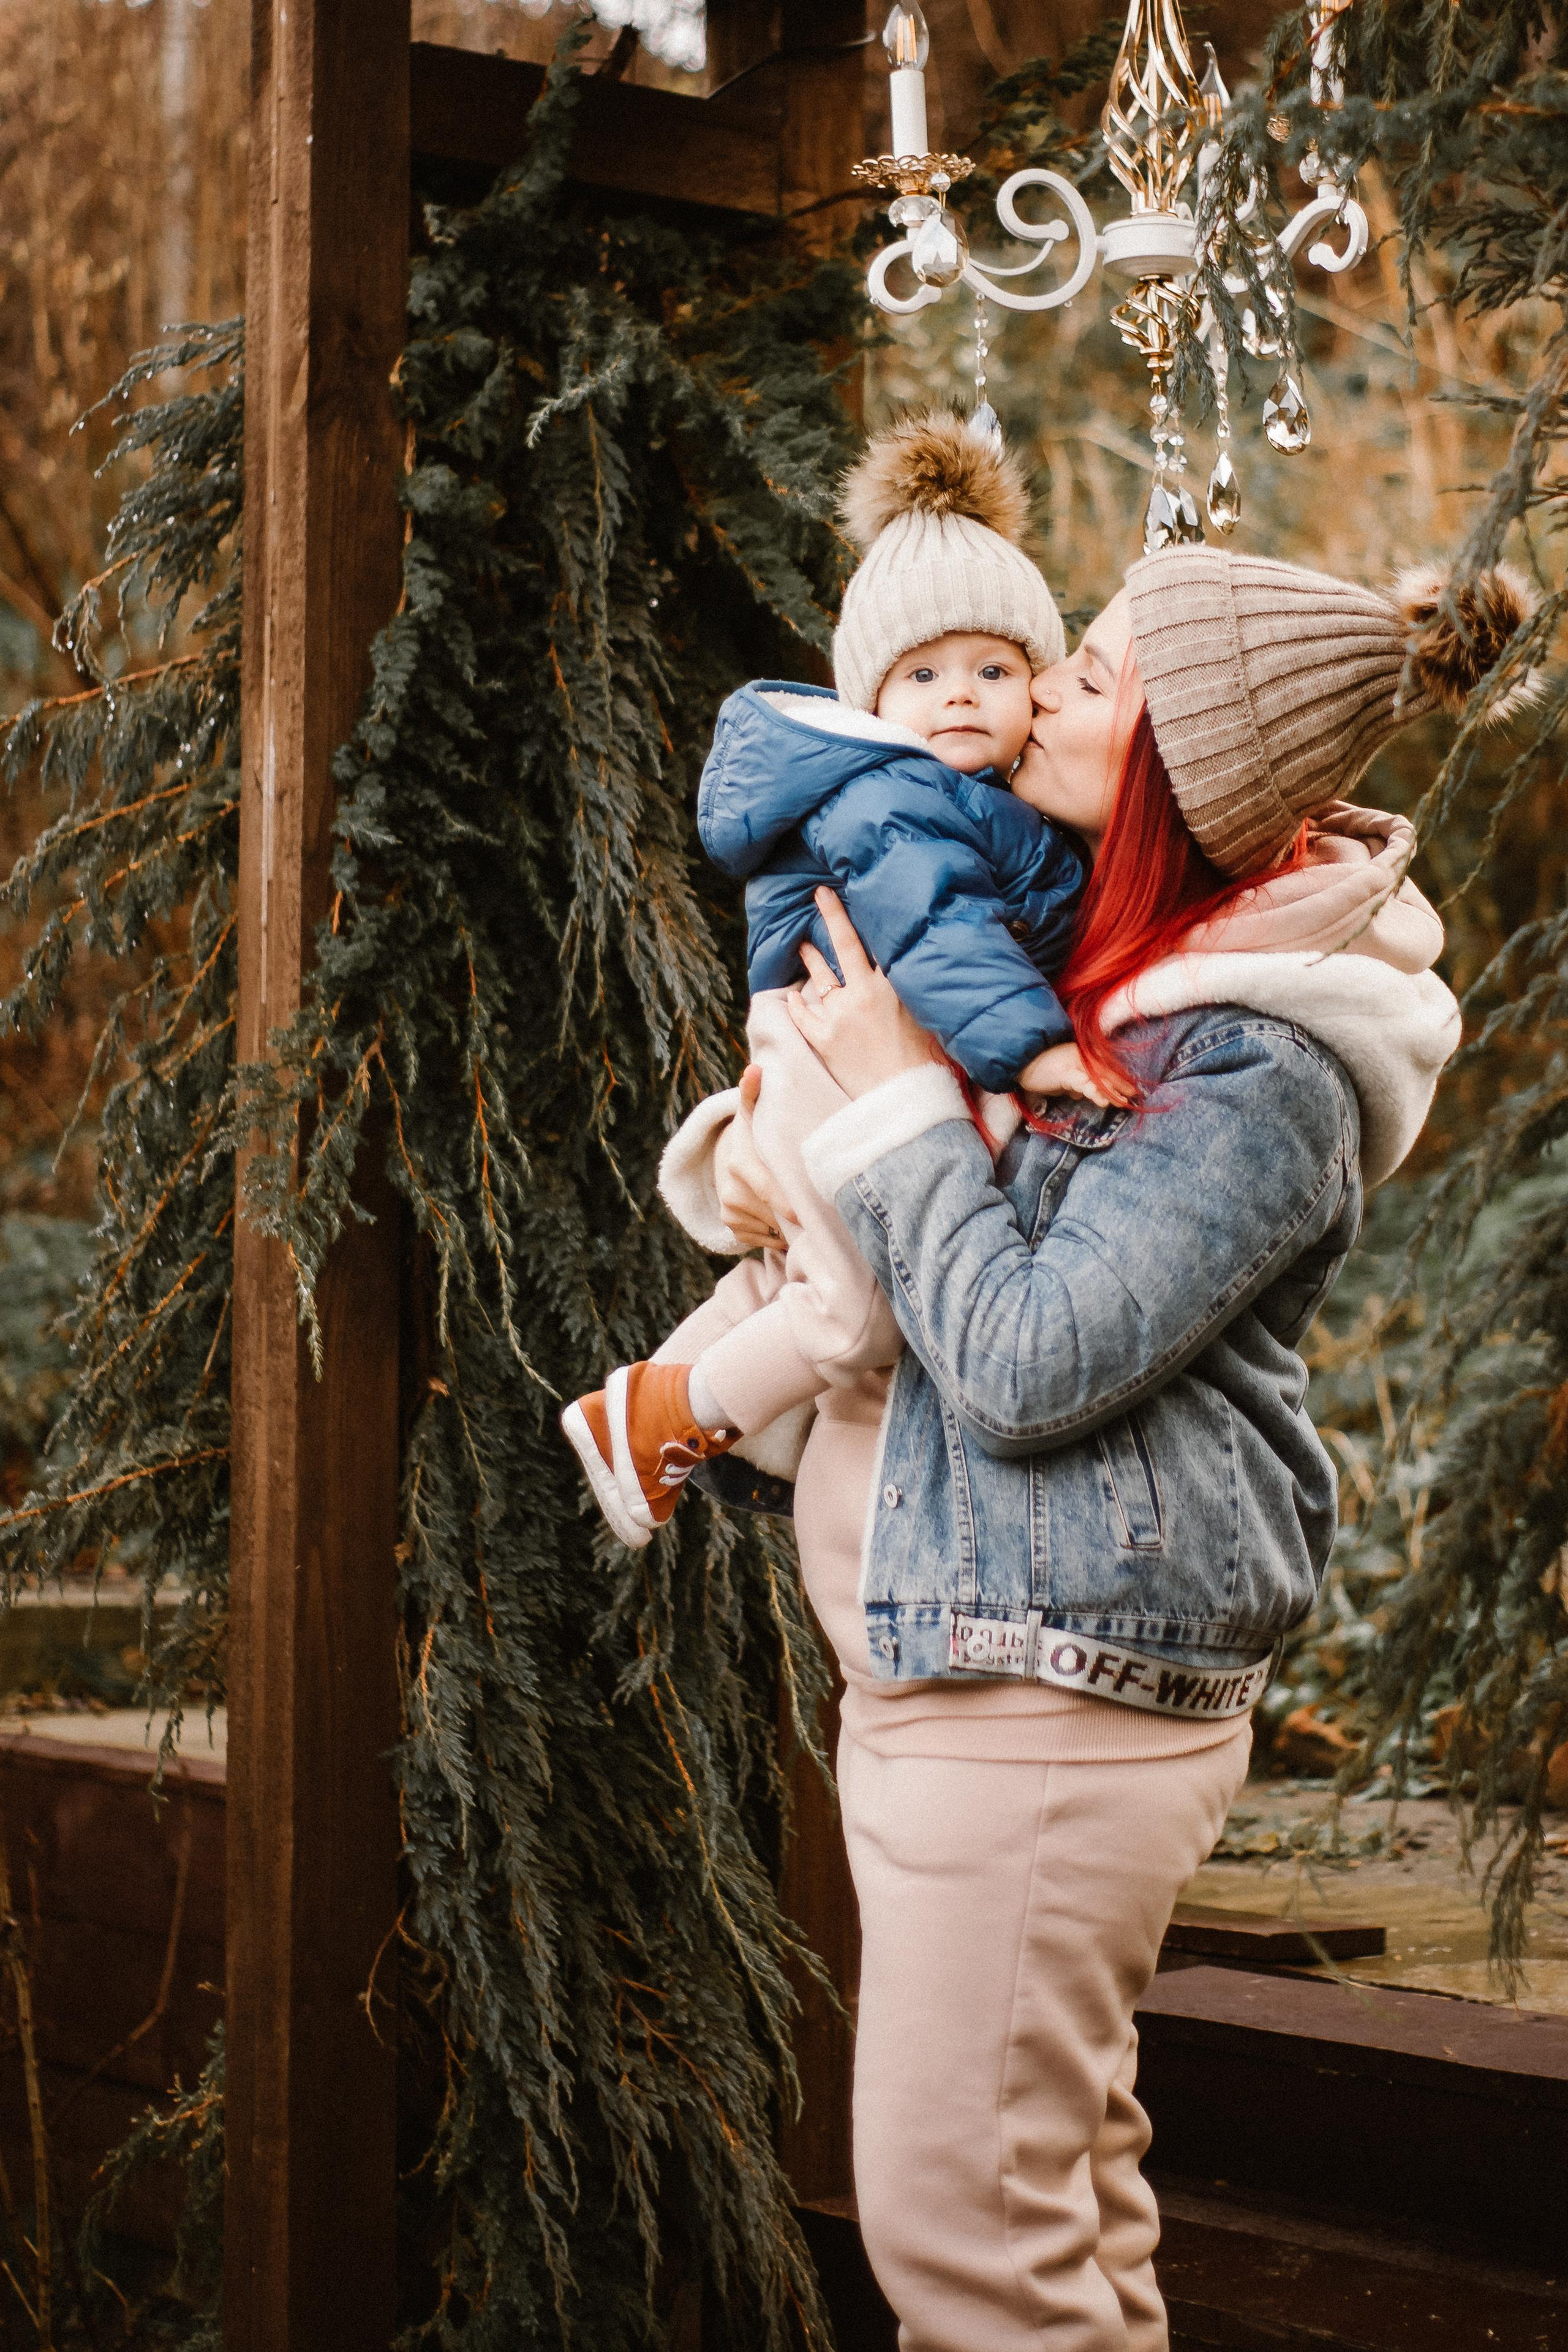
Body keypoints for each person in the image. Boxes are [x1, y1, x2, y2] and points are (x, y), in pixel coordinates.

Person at [658, 545, 1534, 2351]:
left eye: (1094, 674)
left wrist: (893, 1108)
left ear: (1181, 761)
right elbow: (874, 1171)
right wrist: (769, 1151)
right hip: (961, 1675)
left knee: (969, 2245)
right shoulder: (1090, 964)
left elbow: (1027, 1357)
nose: (1042, 682)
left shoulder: (1257, 1064)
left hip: (1047, 1703)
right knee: (1047, 2204)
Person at [562, 412, 1091, 1549]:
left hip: (847, 1052)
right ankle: (671, 1420)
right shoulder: (892, 795)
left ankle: (641, 1406)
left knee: (800, 1274)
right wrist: (1035, 1048)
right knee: (857, 1315)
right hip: (823, 1054)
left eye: (994, 669)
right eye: (924, 673)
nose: (960, 695)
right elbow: (938, 924)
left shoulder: (978, 798)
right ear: (871, 702)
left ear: (1037, 687)